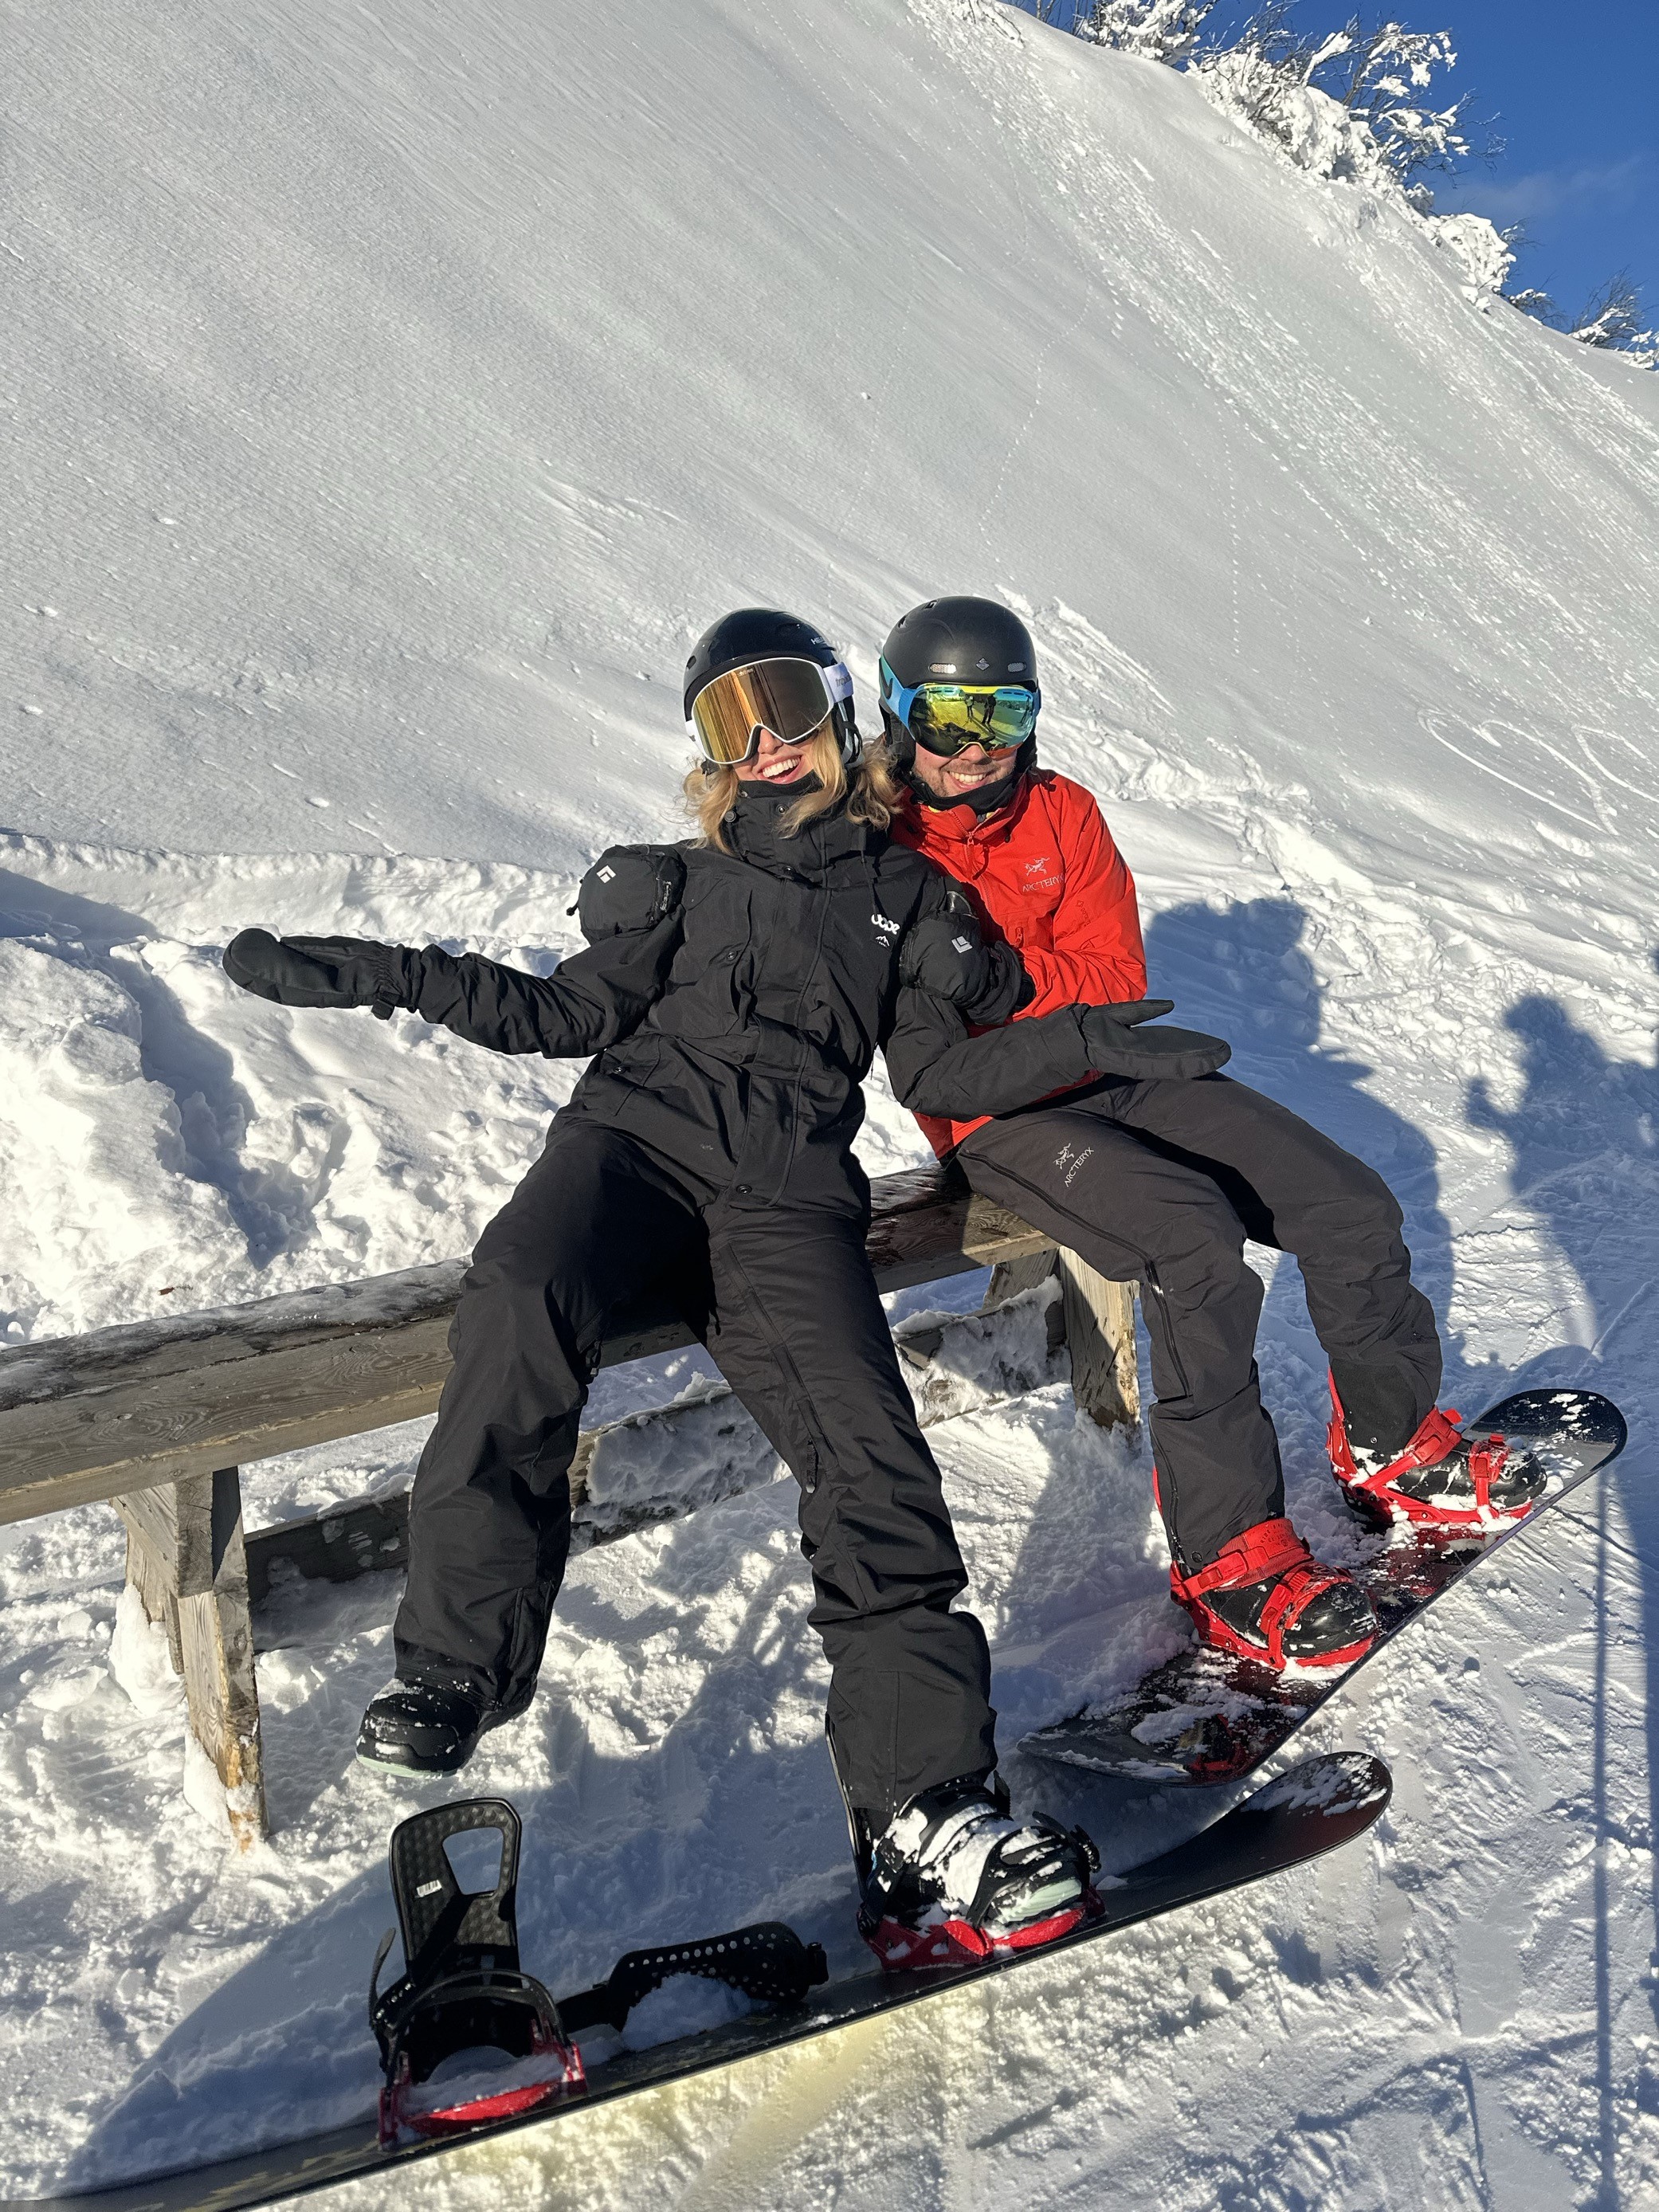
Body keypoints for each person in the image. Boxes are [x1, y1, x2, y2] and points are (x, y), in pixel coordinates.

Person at [222, 607, 1104, 1968]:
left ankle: (924, 1801)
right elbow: (555, 1018)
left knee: (866, 1449)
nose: (764, 743)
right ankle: (456, 1658)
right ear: (703, 754)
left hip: (785, 1191)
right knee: (518, 1288)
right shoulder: (666, 885)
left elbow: (938, 1075)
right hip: (626, 1147)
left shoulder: (906, 899)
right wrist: (376, 974)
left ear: (837, 714)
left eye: (788, 702)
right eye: (724, 721)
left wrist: (1084, 1041)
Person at [874, 595, 1545, 1675]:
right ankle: (1227, 1559)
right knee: (1193, 1244)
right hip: (997, 1115)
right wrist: (1040, 1013)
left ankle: (1389, 1443)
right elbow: (936, 1051)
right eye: (946, 721)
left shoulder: (1064, 815)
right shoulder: (879, 858)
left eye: (1001, 716)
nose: (972, 750)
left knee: (1346, 1202)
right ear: (897, 715)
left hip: (1115, 1066)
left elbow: (1114, 977)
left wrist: (1004, 982)